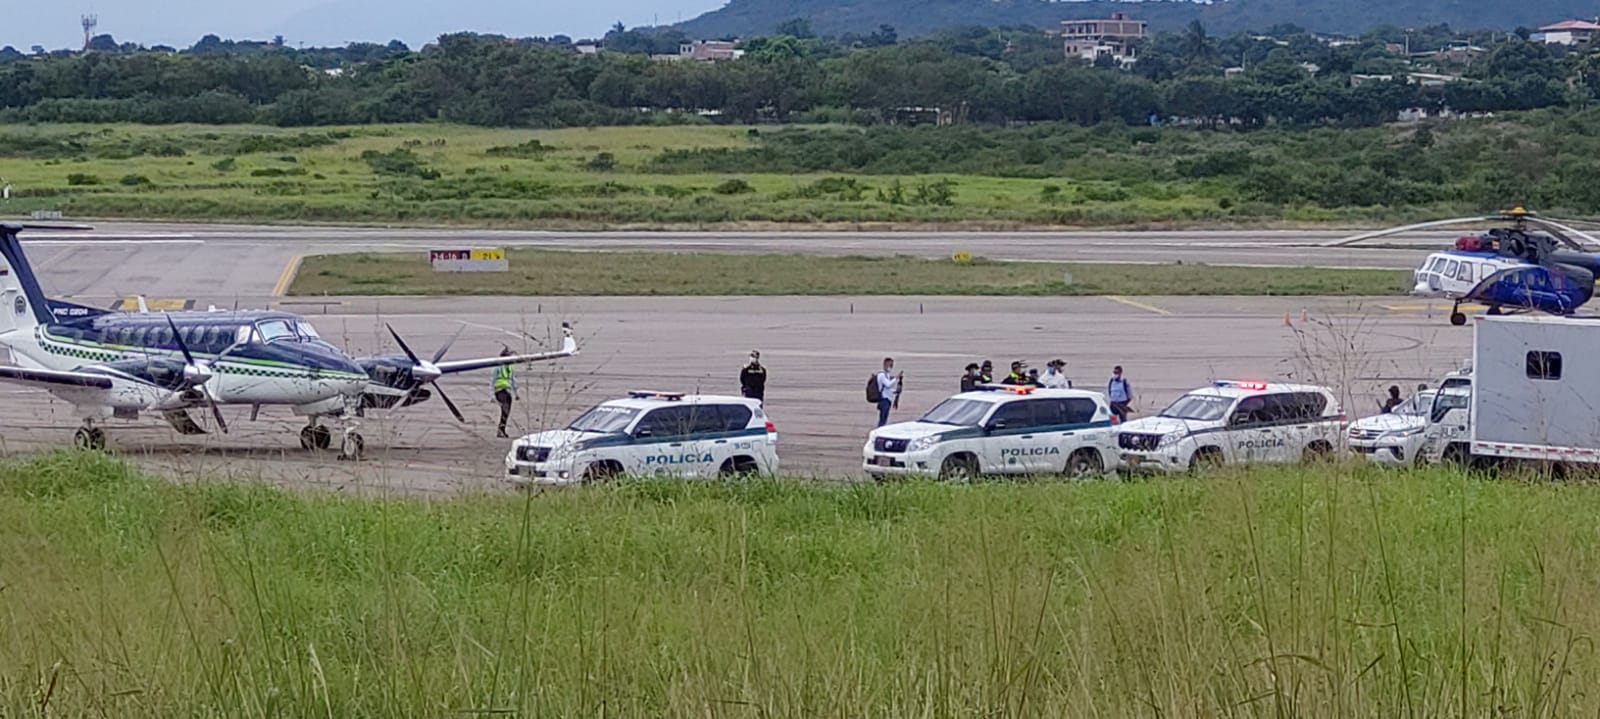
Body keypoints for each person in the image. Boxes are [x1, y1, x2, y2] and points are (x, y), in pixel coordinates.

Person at [493, 348, 517, 438]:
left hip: (507, 391)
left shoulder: (509, 369)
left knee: (506, 412)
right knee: (505, 409)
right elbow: (493, 380)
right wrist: (492, 394)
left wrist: (515, 392)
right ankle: (501, 430)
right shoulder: (498, 369)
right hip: (500, 391)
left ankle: (502, 429)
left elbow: (513, 380)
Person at [875, 357, 902, 427]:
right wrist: (896, 378)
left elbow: (887, 389)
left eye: (892, 365)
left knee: (884, 419)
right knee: (882, 419)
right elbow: (888, 385)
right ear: (885, 364)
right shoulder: (881, 375)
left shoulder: (886, 375)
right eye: (890, 365)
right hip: (883, 400)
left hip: (887, 400)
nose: (891, 367)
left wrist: (895, 391)